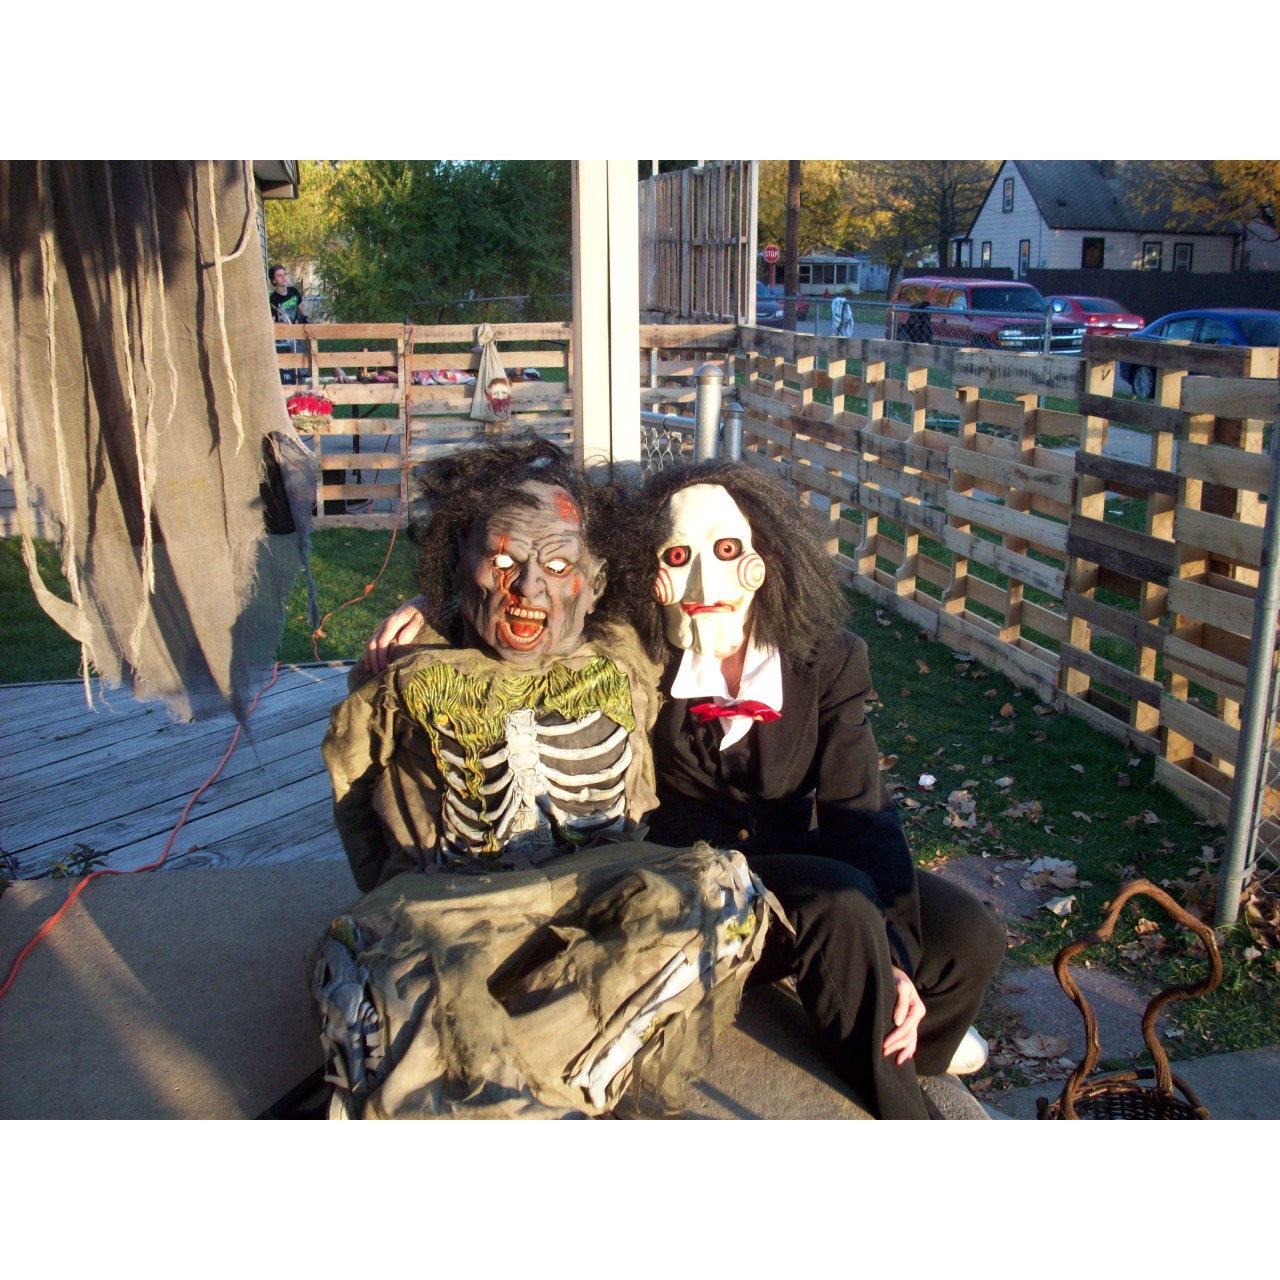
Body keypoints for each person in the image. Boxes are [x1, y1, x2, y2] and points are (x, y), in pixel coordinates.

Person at [366, 459, 1004, 1119]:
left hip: (793, 859)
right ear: (649, 568)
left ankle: (897, 1041)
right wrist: (435, 604)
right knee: (841, 905)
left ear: (767, 557)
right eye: (677, 556)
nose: (704, 581)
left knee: (969, 936)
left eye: (726, 552)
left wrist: (896, 957)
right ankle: (901, 1109)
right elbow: (537, 590)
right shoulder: (637, 646)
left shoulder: (825, 660)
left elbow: (860, 810)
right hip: (685, 883)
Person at [317, 438, 772, 1117]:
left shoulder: (624, 647)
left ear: (594, 579)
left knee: (727, 899)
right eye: (502, 562)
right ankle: (569, 1068)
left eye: (558, 566)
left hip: (606, 894)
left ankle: (492, 1082)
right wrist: (431, 605)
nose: (529, 588)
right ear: (458, 562)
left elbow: (707, 579)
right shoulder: (407, 669)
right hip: (449, 910)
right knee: (370, 971)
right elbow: (355, 794)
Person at [267, 264, 308, 385]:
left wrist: (306, 320)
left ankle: (302, 387)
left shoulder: (293, 292)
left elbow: (302, 311)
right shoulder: (273, 299)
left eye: (284, 274)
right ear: (274, 280)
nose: (284, 277)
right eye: (279, 276)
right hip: (283, 339)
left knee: (300, 368)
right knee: (287, 368)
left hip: (297, 336)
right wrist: (283, 325)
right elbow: (271, 322)